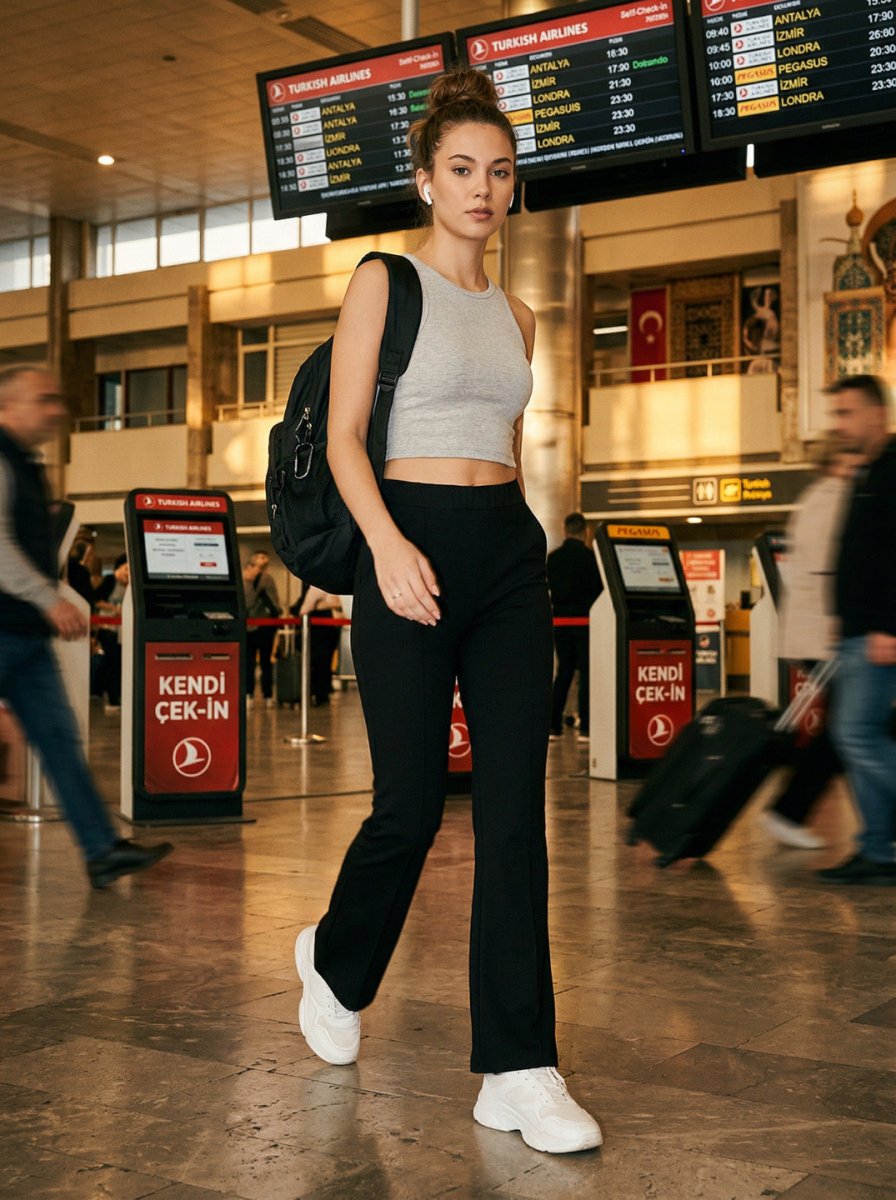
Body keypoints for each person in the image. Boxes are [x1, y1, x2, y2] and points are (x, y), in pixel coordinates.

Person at [292, 68, 601, 1156]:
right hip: (403, 546)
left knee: (516, 812)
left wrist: (493, 543)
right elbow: (341, 439)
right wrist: (385, 548)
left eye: (500, 172)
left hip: (505, 553)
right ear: (426, 181)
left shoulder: (520, 316)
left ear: (513, 190)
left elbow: (503, 451)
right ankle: (334, 957)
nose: (482, 188)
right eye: (462, 170)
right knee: (411, 807)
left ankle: (517, 1068)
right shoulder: (383, 281)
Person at [0, 364, 172, 888]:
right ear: (7, 405)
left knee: (59, 740)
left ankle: (101, 851)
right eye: (43, 400)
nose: (54, 411)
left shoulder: (27, 463)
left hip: (24, 635)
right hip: (8, 629)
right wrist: (49, 599)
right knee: (55, 739)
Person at [759, 442, 859, 850]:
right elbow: (834, 570)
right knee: (843, 732)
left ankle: (788, 811)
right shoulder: (833, 499)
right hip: (825, 635)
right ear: (837, 461)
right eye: (851, 457)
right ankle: (787, 811)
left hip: (822, 633)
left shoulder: (822, 497)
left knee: (844, 730)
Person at [819, 374, 896, 885]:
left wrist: (886, 626)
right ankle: (877, 847)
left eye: (847, 414)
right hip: (858, 631)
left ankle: (878, 847)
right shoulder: (868, 472)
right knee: (856, 734)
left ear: (875, 413)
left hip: (877, 633)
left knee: (856, 734)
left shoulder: (892, 471)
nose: (840, 424)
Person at [546, 512, 602, 743]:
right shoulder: (591, 558)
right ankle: (586, 729)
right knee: (586, 674)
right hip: (585, 623)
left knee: (564, 673)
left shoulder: (554, 558)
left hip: (559, 624)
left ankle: (553, 726)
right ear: (586, 531)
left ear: (565, 530)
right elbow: (599, 591)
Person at [292, 585, 343, 706]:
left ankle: (314, 693)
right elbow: (337, 605)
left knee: (314, 665)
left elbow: (303, 609)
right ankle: (322, 694)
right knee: (324, 665)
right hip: (328, 634)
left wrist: (316, 606)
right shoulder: (331, 589)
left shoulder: (314, 589)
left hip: (316, 635)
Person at [243, 551, 281, 707]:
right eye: (258, 565)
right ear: (250, 566)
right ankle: (249, 693)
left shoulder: (266, 579)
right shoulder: (245, 580)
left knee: (265, 662)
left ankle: (267, 695)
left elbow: (273, 603)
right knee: (249, 662)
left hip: (264, 626)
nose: (260, 570)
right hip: (249, 626)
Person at [94, 552, 129, 711]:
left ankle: (116, 695)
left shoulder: (129, 586)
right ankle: (112, 698)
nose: (128, 574)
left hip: (121, 631)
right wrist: (115, 609)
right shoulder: (110, 581)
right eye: (126, 569)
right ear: (119, 568)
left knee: (119, 662)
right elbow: (97, 600)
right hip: (107, 629)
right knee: (112, 662)